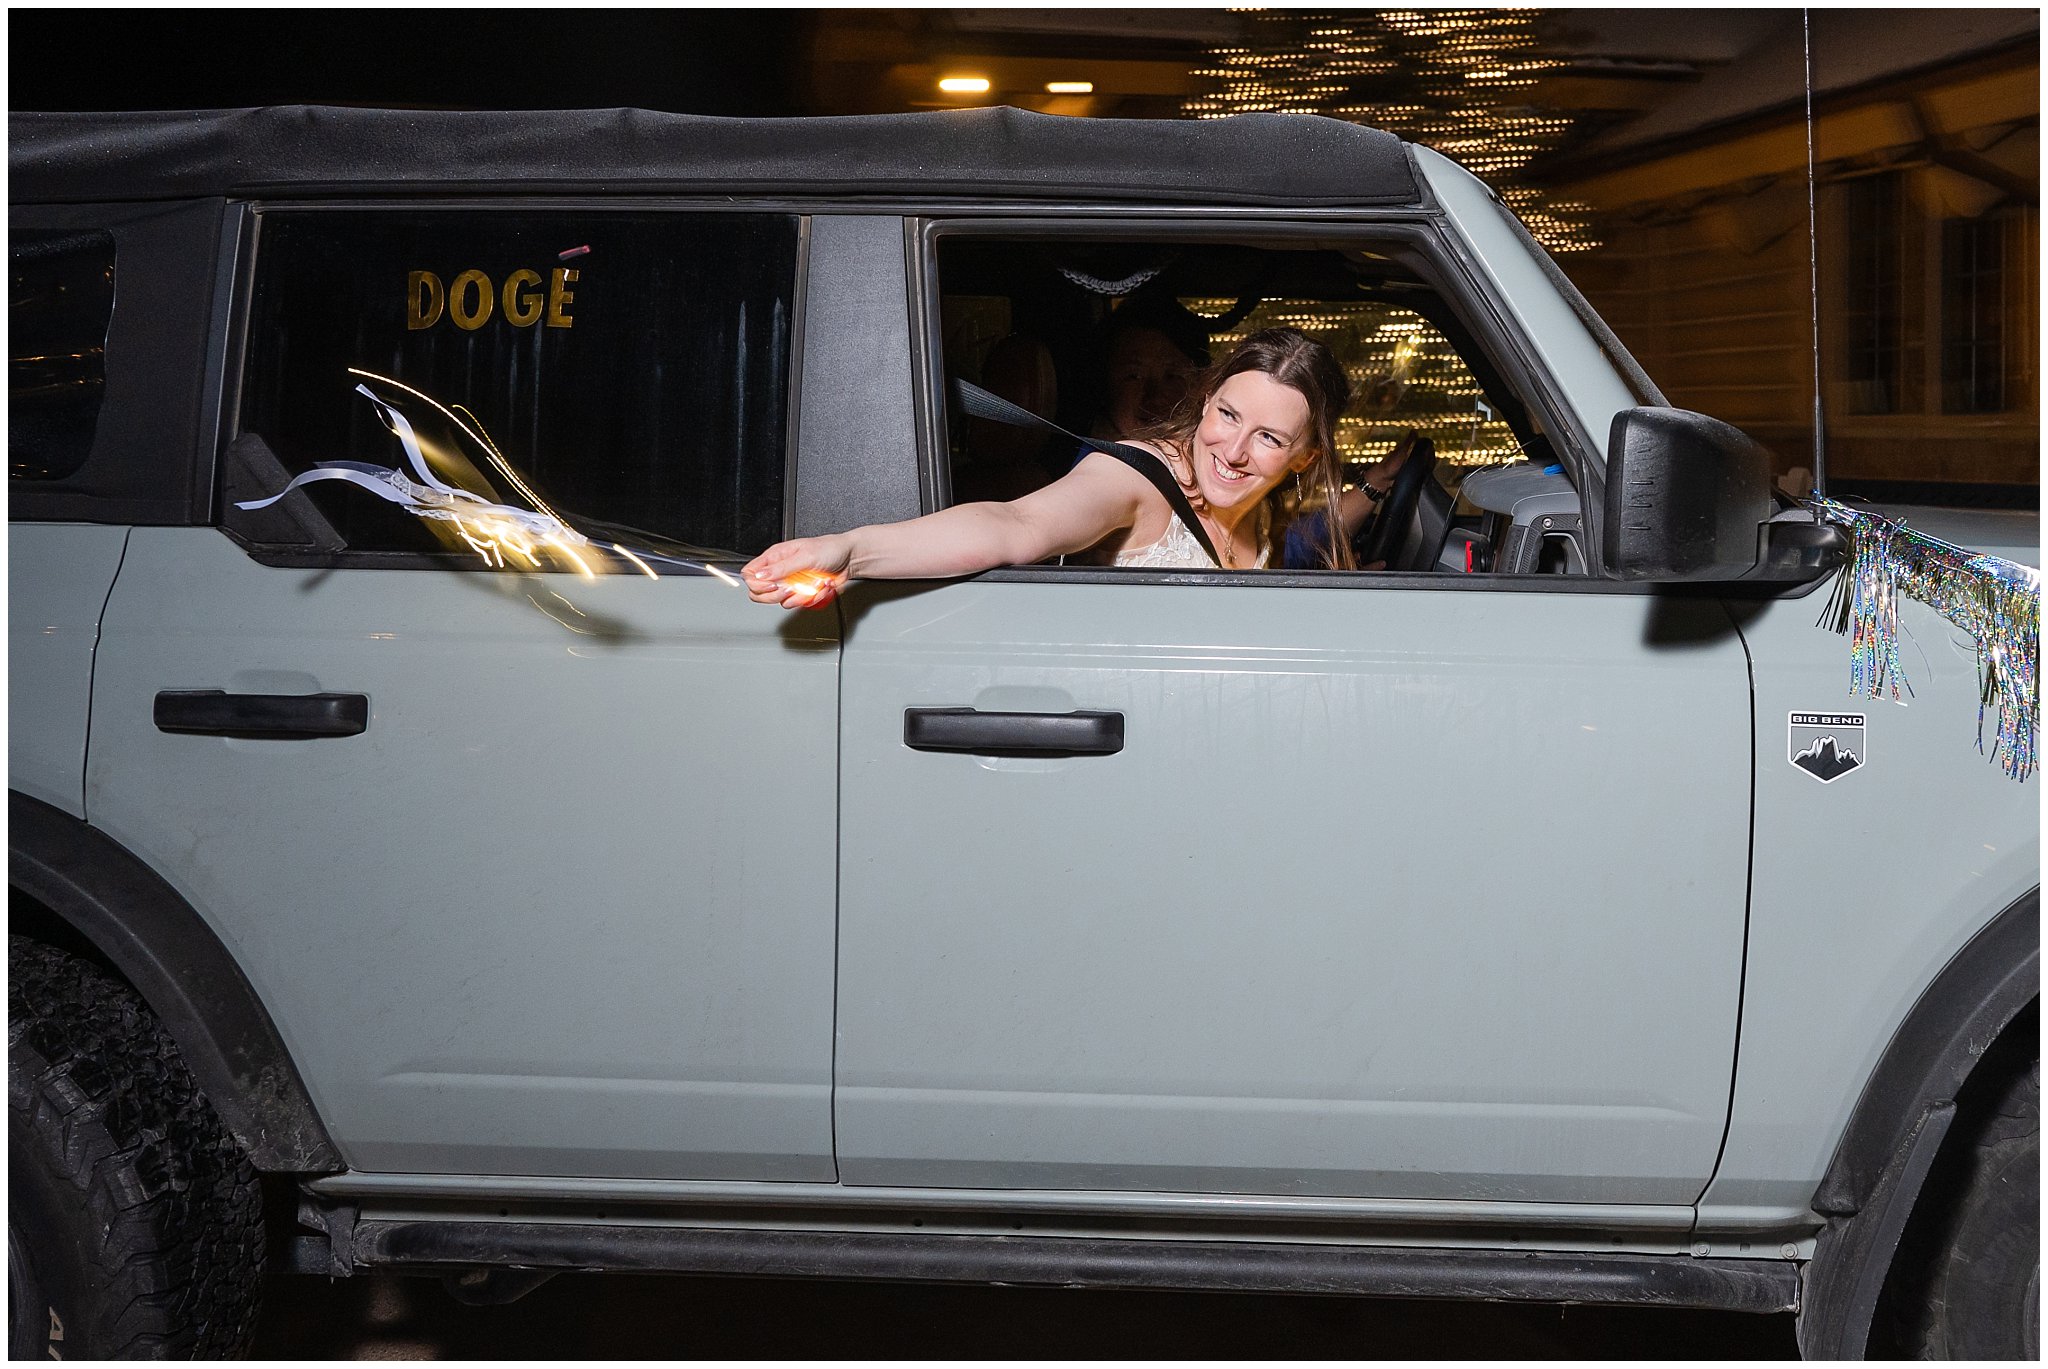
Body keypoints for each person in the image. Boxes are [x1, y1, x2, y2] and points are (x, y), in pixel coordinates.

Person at [745, 328, 1357, 609]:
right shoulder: (1139, 478)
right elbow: (1016, 525)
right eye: (1227, 414)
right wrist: (851, 550)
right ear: (1204, 401)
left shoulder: (1266, 511)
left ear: (1302, 458)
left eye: (1269, 438)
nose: (1234, 449)